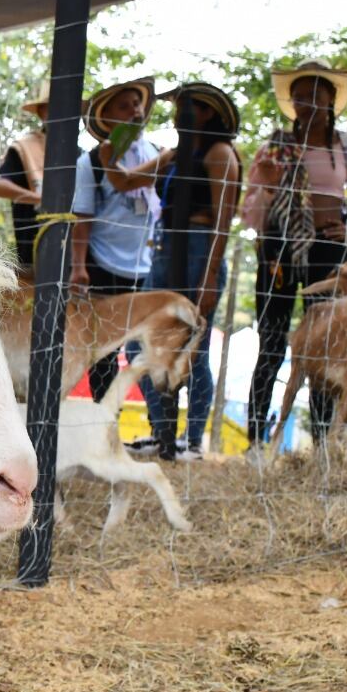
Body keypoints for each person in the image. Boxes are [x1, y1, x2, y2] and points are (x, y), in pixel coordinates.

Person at [240, 60, 347, 444]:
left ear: (332, 99)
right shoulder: (276, 146)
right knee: (271, 340)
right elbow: (254, 212)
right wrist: (266, 186)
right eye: (299, 94)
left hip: (329, 252)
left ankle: (322, 443)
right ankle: (254, 440)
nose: (307, 102)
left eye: (316, 94)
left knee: (329, 344)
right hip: (278, 251)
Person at [112, 83, 244, 460]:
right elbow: (123, 180)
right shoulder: (172, 155)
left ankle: (193, 440)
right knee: (141, 342)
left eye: (189, 107)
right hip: (166, 248)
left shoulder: (220, 154)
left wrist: (210, 276)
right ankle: (161, 432)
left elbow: (223, 221)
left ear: (209, 113)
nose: (179, 114)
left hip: (201, 250)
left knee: (194, 349)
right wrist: (112, 144)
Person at [67, 77, 159, 405]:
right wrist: (79, 267)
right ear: (108, 118)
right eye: (124, 105)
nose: (134, 110)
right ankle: (99, 414)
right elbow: (82, 217)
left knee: (139, 344)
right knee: (104, 346)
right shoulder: (89, 163)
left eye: (137, 103)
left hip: (145, 265)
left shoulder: (155, 153)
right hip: (103, 264)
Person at [0, 81, 47, 272]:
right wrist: (38, 198)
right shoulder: (24, 148)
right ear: (42, 112)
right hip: (33, 251)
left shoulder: (78, 154)